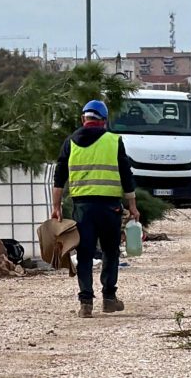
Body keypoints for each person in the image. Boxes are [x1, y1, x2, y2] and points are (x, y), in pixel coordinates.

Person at [51, 99, 140, 318]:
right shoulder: (113, 140)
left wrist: (56, 206)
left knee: (84, 253)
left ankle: (86, 304)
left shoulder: (70, 141)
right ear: (104, 121)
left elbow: (59, 175)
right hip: (110, 207)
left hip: (82, 207)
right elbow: (126, 174)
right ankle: (109, 298)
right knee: (110, 251)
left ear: (84, 119)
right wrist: (132, 206)